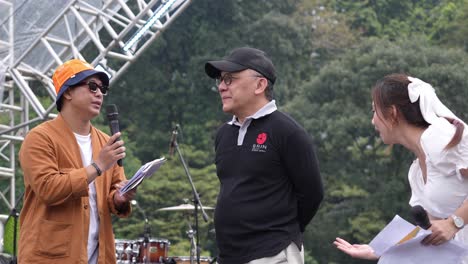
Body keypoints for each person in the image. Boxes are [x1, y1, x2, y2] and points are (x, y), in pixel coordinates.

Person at [205, 47, 324, 264]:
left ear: (260, 84)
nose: (222, 87)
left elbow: (312, 194)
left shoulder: (287, 132)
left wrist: (281, 232)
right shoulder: (224, 134)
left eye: (230, 79)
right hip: (229, 256)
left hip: (273, 254)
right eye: (220, 80)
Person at [333, 73, 468, 263]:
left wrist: (455, 222)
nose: (373, 121)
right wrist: (381, 249)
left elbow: (449, 226)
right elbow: (434, 233)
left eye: (374, 111)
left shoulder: (439, 137)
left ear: (392, 113)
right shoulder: (417, 172)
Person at [18, 59, 137, 263]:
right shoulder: (39, 138)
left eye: (102, 89)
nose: (99, 93)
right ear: (67, 92)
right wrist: (97, 166)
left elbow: (112, 193)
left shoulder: (104, 142)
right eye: (92, 86)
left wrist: (119, 197)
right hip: (50, 257)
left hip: (97, 256)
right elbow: (48, 189)